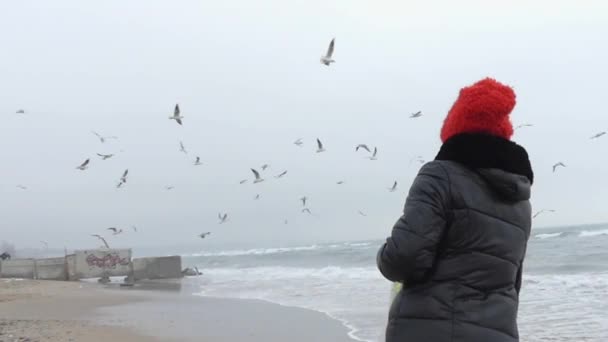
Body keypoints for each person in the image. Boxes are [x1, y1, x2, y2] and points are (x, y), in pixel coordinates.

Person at [377, 78, 533, 342]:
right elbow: (511, 283)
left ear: (454, 127)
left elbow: (403, 258)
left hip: (432, 331)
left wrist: (384, 254)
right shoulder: (520, 199)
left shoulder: (439, 176)